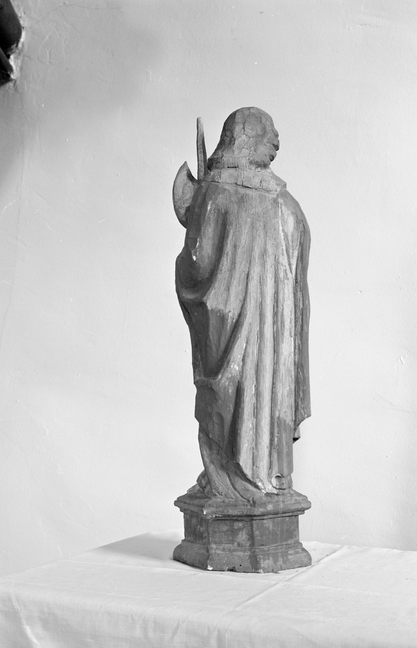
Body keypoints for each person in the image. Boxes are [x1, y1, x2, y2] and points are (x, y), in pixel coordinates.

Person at [174, 107, 310, 502]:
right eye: (270, 137)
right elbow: (297, 298)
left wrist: (192, 228)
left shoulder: (215, 195)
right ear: (250, 138)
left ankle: (232, 480)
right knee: (264, 394)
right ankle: (267, 475)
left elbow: (197, 266)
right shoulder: (288, 207)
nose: (276, 144)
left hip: (232, 332)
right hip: (274, 347)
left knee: (226, 399)